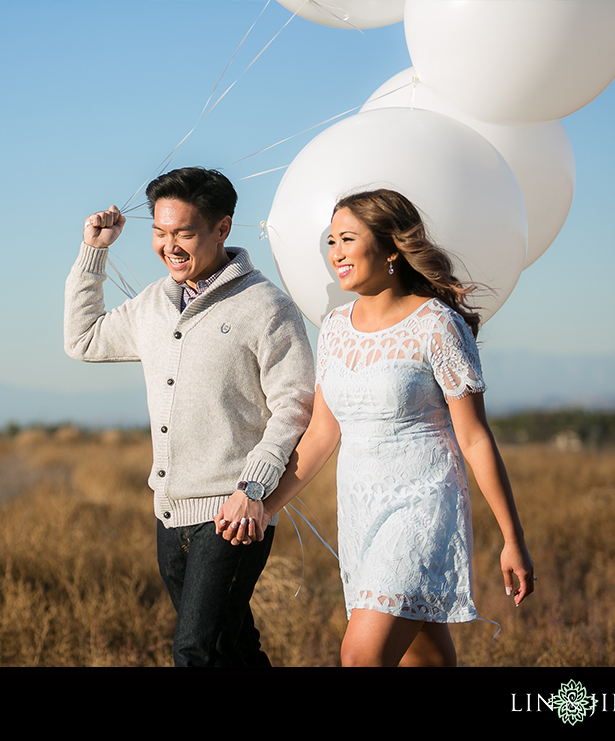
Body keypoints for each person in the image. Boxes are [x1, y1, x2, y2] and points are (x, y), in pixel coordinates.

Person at [215, 189, 534, 667]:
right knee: (423, 657)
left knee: (361, 656)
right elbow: (322, 434)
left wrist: (513, 539)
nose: (335, 252)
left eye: (347, 239)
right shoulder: (336, 327)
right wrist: (265, 504)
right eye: (330, 241)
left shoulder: (438, 325)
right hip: (362, 510)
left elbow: (474, 437)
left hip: (423, 505)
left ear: (390, 249)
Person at [64, 167, 314, 666]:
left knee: (193, 652)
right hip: (169, 512)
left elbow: (296, 406)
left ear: (222, 229)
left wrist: (254, 490)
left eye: (184, 232)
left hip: (233, 514)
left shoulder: (267, 307)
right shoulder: (155, 303)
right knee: (230, 647)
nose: (169, 245)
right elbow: (82, 339)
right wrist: (95, 252)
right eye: (159, 232)